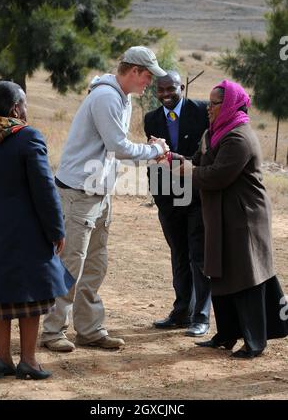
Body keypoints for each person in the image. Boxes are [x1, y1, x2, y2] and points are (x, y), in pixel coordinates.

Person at [41, 46, 169, 352]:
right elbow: (119, 146)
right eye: (148, 76)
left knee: (95, 265)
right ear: (134, 71)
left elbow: (114, 148)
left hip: (98, 192)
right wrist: (155, 150)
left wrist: (145, 149)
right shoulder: (107, 97)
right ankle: (52, 330)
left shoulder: (120, 98)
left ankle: (88, 329)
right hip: (79, 194)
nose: (149, 83)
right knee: (71, 265)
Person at [191, 79, 288, 358]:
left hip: (244, 218)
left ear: (230, 105)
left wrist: (185, 172)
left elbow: (217, 176)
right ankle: (226, 335)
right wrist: (173, 159)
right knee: (221, 275)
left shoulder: (239, 137)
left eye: (214, 103)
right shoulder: (214, 133)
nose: (208, 108)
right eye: (208, 103)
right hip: (222, 216)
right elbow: (199, 162)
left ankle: (255, 342)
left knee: (247, 278)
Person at [0, 81, 75, 379]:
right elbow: (44, 190)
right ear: (15, 108)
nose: (27, 110)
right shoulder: (28, 138)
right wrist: (56, 229)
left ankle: (2, 360)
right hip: (26, 234)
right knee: (30, 298)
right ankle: (28, 361)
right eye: (24, 104)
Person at [144, 71, 211, 337]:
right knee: (178, 253)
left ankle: (201, 316)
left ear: (181, 87)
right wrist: (159, 196)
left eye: (170, 89)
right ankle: (182, 311)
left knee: (198, 254)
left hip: (196, 194)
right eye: (160, 90)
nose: (165, 95)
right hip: (167, 197)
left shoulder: (202, 111)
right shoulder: (151, 118)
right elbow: (153, 158)